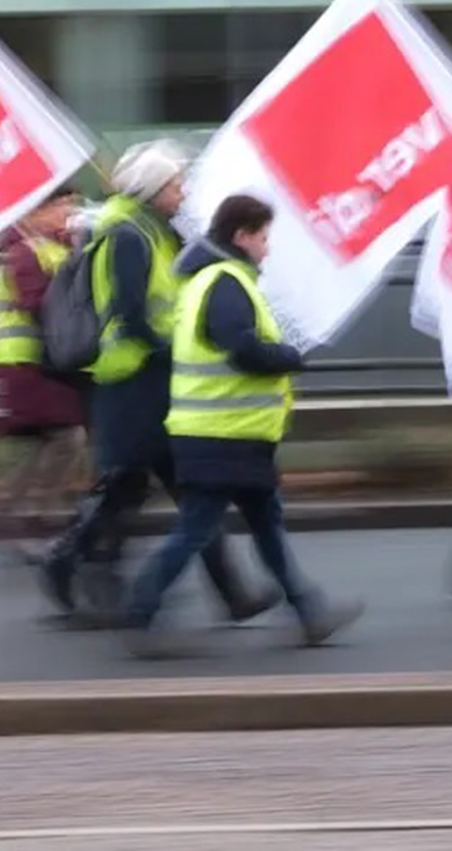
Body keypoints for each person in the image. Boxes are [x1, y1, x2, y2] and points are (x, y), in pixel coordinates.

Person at [40, 140, 272, 625]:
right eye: (175, 184)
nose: (183, 193)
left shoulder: (153, 231)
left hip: (155, 380)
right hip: (132, 384)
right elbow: (129, 316)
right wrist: (178, 350)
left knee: (189, 491)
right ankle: (67, 564)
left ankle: (233, 594)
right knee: (126, 488)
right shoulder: (128, 235)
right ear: (151, 188)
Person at [120, 194, 363, 656]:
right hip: (223, 434)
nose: (267, 248)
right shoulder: (226, 282)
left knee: (265, 524)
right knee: (198, 528)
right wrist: (290, 356)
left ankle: (310, 611)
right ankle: (139, 611)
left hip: (229, 433)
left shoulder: (204, 281)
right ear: (242, 236)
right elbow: (241, 348)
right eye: (264, 237)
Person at [0, 186, 88, 562]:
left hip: (42, 360)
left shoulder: (52, 246)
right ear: (37, 211)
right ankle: (38, 517)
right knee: (66, 437)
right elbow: (37, 302)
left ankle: (12, 518)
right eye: (63, 206)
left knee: (49, 443)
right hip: (24, 360)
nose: (69, 213)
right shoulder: (24, 251)